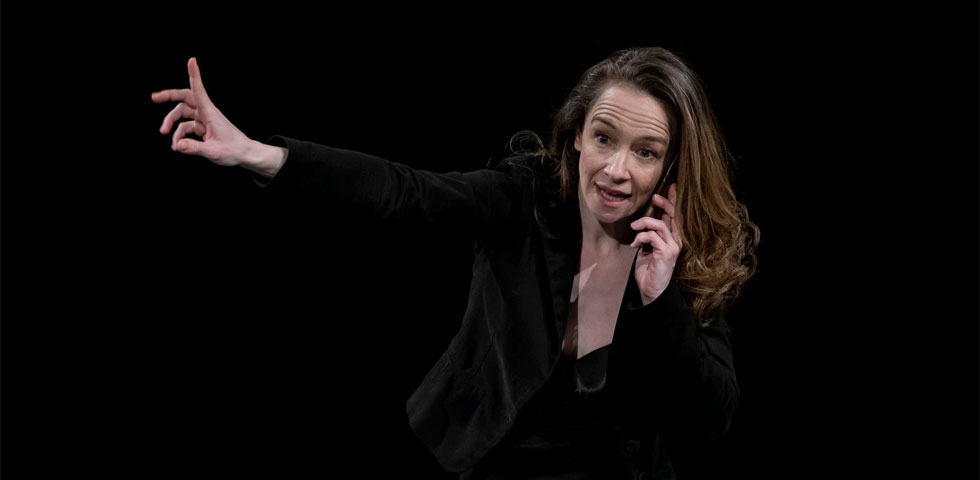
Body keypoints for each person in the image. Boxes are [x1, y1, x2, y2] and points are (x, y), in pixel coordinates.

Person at [151, 46, 760, 479]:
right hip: (480, 458)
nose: (617, 169)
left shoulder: (679, 258)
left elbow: (711, 418)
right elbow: (404, 191)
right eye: (604, 138)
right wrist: (258, 154)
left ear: (670, 166)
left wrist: (661, 299)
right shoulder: (522, 200)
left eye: (646, 152)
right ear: (577, 133)